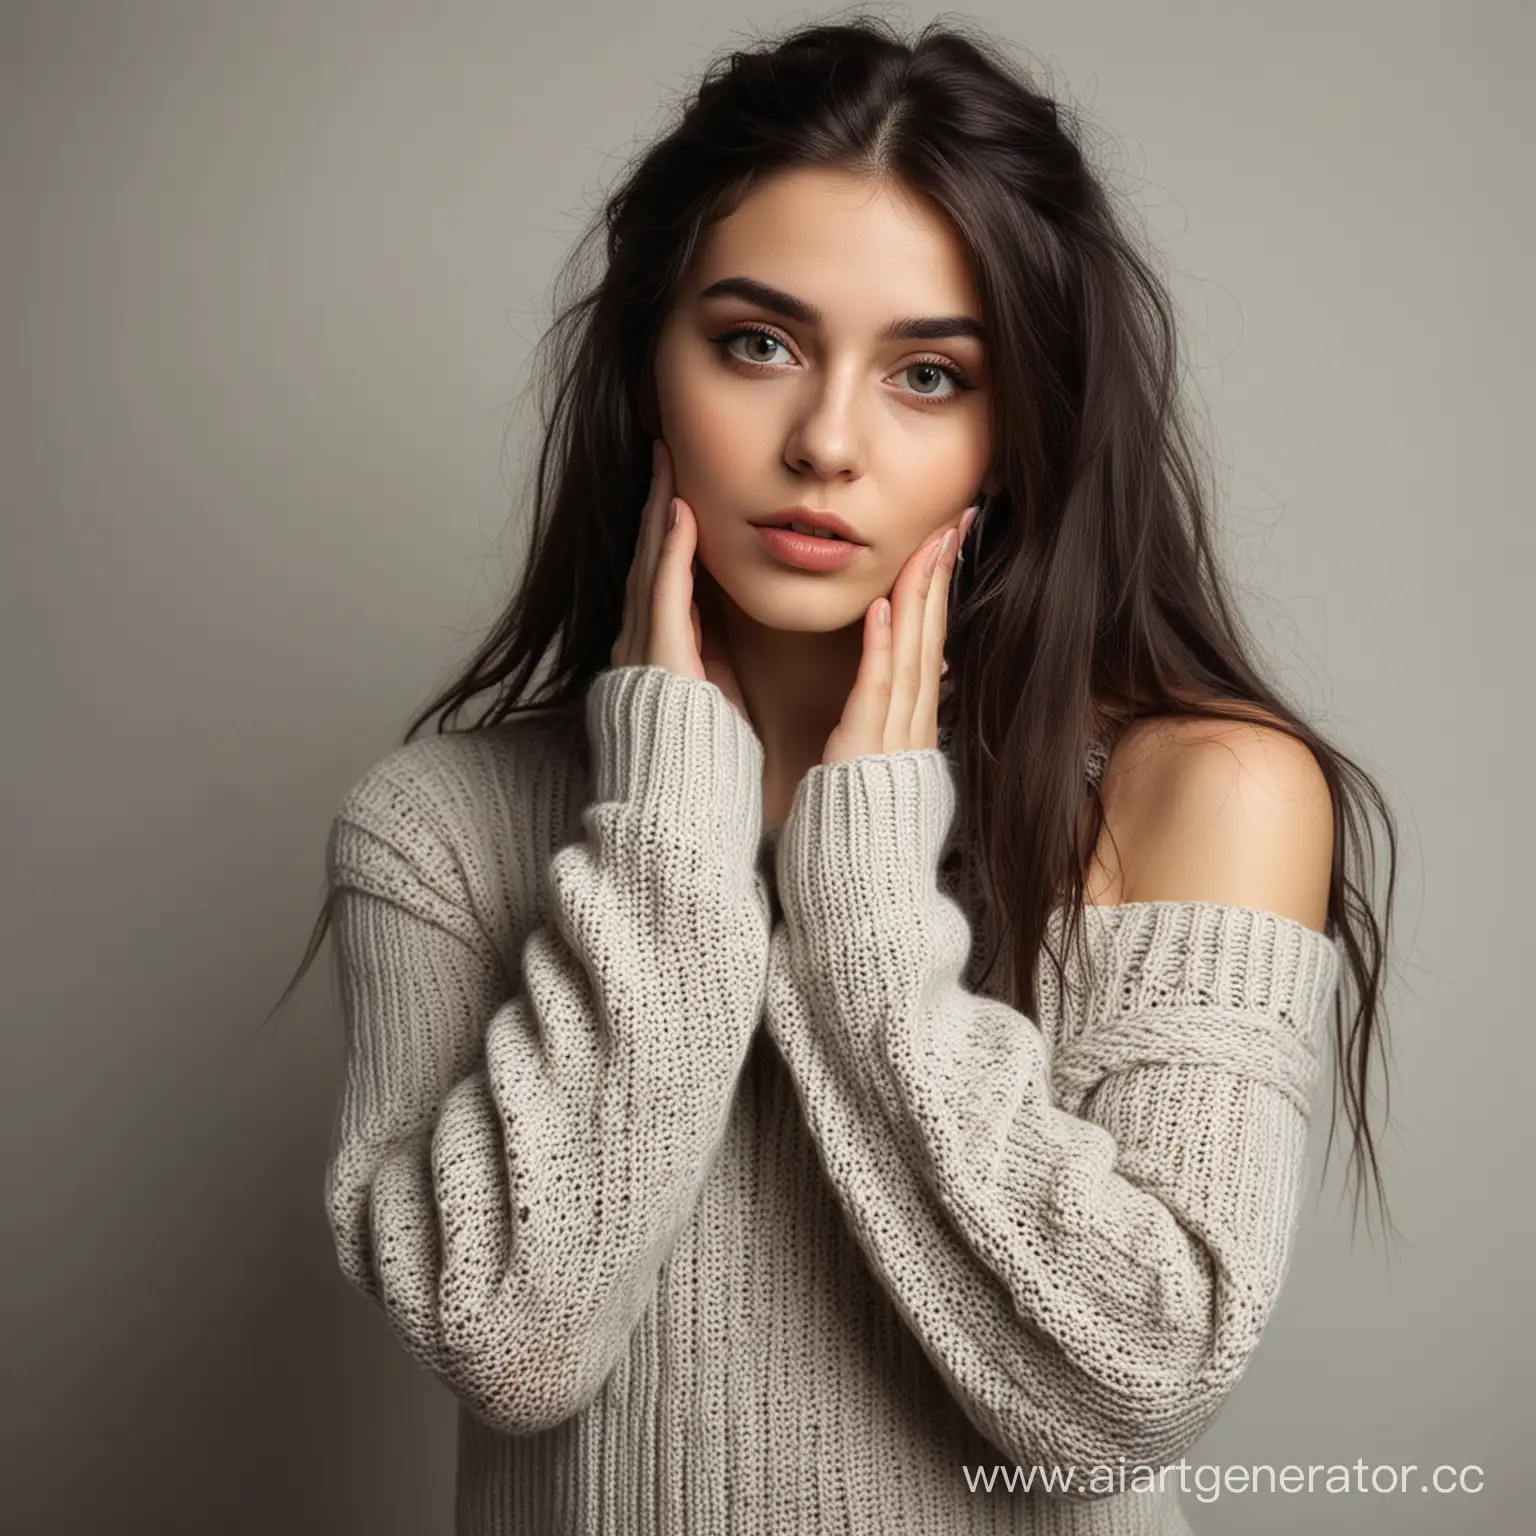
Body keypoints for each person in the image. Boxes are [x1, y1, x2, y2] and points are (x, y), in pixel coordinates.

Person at [271, 15, 1399, 1533]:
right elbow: (511, 1341)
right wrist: (672, 816)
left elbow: (1128, 1393)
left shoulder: (1207, 796)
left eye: (929, 375)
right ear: (648, 368)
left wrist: (863, 904)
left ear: (1016, 431)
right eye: (758, 343)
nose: (824, 443)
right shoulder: (438, 832)